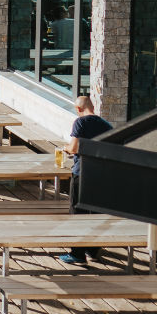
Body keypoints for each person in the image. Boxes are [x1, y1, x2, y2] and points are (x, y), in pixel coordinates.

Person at [62, 94, 113, 264]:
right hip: (100, 174)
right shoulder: (106, 125)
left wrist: (66, 148)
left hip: (81, 172)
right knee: (95, 211)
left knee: (77, 211)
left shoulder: (80, 122)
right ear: (93, 106)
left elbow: (74, 147)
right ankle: (93, 249)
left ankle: (77, 253)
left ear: (78, 109)